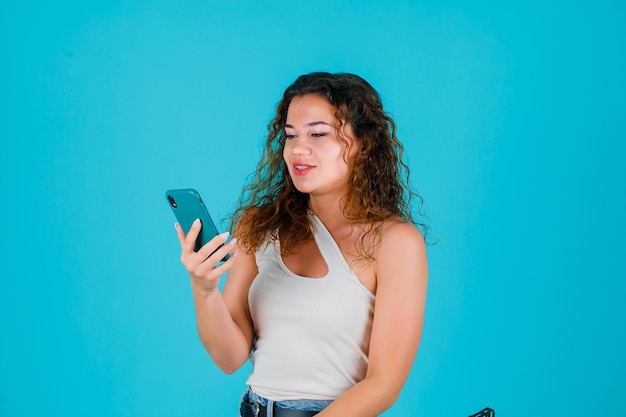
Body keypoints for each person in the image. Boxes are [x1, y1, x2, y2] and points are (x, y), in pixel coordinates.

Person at [175, 72, 429, 417]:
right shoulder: (258, 226)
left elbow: (384, 384)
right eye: (290, 135)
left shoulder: (396, 242)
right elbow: (229, 357)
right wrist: (203, 288)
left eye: (318, 134)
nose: (298, 148)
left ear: (362, 144)